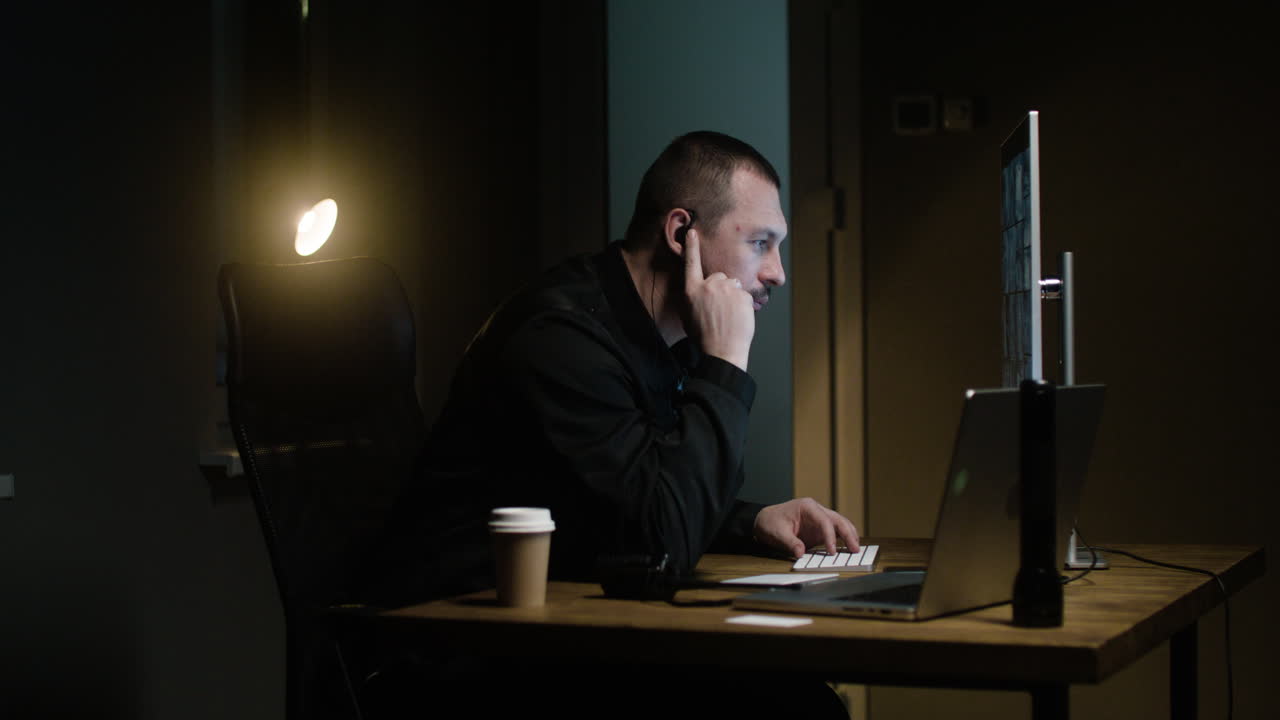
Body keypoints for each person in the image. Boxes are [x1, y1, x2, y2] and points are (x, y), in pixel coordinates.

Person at [360, 130, 855, 718]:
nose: (776, 273)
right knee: (793, 707)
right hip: (462, 651)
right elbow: (658, 538)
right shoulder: (562, 340)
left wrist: (751, 522)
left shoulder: (659, 335)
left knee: (794, 694)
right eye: (760, 243)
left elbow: (640, 490)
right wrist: (724, 365)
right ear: (680, 234)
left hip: (553, 623)